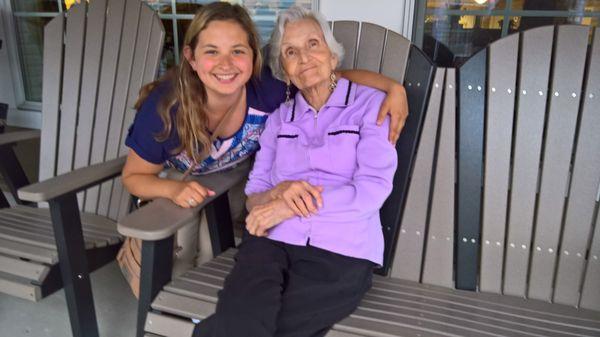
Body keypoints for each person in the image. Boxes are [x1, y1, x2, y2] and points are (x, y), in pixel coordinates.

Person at [120, 2, 406, 296]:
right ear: (191, 58)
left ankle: (207, 307)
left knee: (212, 247)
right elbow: (133, 177)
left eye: (237, 51)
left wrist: (392, 88)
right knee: (179, 245)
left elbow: (322, 73)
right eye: (211, 51)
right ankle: (170, 311)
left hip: (230, 179)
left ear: (254, 56)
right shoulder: (166, 108)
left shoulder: (269, 89)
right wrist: (172, 190)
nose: (226, 64)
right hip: (179, 183)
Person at [193, 6, 397, 337]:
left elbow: (372, 190)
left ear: (333, 56)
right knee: (245, 316)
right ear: (285, 71)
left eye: (313, 44)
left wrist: (290, 205)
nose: (304, 57)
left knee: (260, 327)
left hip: (341, 249)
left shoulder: (370, 106)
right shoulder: (278, 120)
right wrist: (276, 194)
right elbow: (255, 193)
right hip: (272, 241)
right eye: (291, 51)